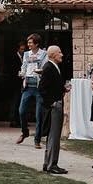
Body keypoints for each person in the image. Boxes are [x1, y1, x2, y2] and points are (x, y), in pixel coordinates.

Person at [38, 44, 68, 173]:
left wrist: (63, 89)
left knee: (53, 136)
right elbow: (42, 89)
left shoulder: (54, 67)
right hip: (54, 106)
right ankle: (52, 165)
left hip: (56, 103)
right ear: (53, 55)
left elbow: (52, 85)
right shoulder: (49, 67)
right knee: (54, 136)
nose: (62, 55)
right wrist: (52, 103)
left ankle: (47, 163)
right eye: (59, 52)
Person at [17, 34, 47, 145]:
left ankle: (37, 140)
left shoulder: (44, 54)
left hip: (39, 86)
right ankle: (25, 132)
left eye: (30, 42)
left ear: (36, 44)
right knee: (21, 111)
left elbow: (45, 68)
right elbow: (23, 67)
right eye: (28, 42)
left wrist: (40, 71)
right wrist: (22, 74)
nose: (28, 44)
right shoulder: (26, 54)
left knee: (39, 114)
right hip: (28, 85)